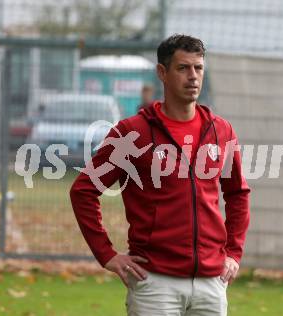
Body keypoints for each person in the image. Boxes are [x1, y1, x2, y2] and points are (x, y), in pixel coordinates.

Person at [69, 34, 251, 316]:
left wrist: (234, 253)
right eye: (183, 68)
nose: (193, 77)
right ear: (162, 73)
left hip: (211, 285)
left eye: (198, 68)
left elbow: (238, 194)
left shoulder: (221, 131)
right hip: (154, 283)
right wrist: (106, 254)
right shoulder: (132, 133)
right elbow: (83, 190)